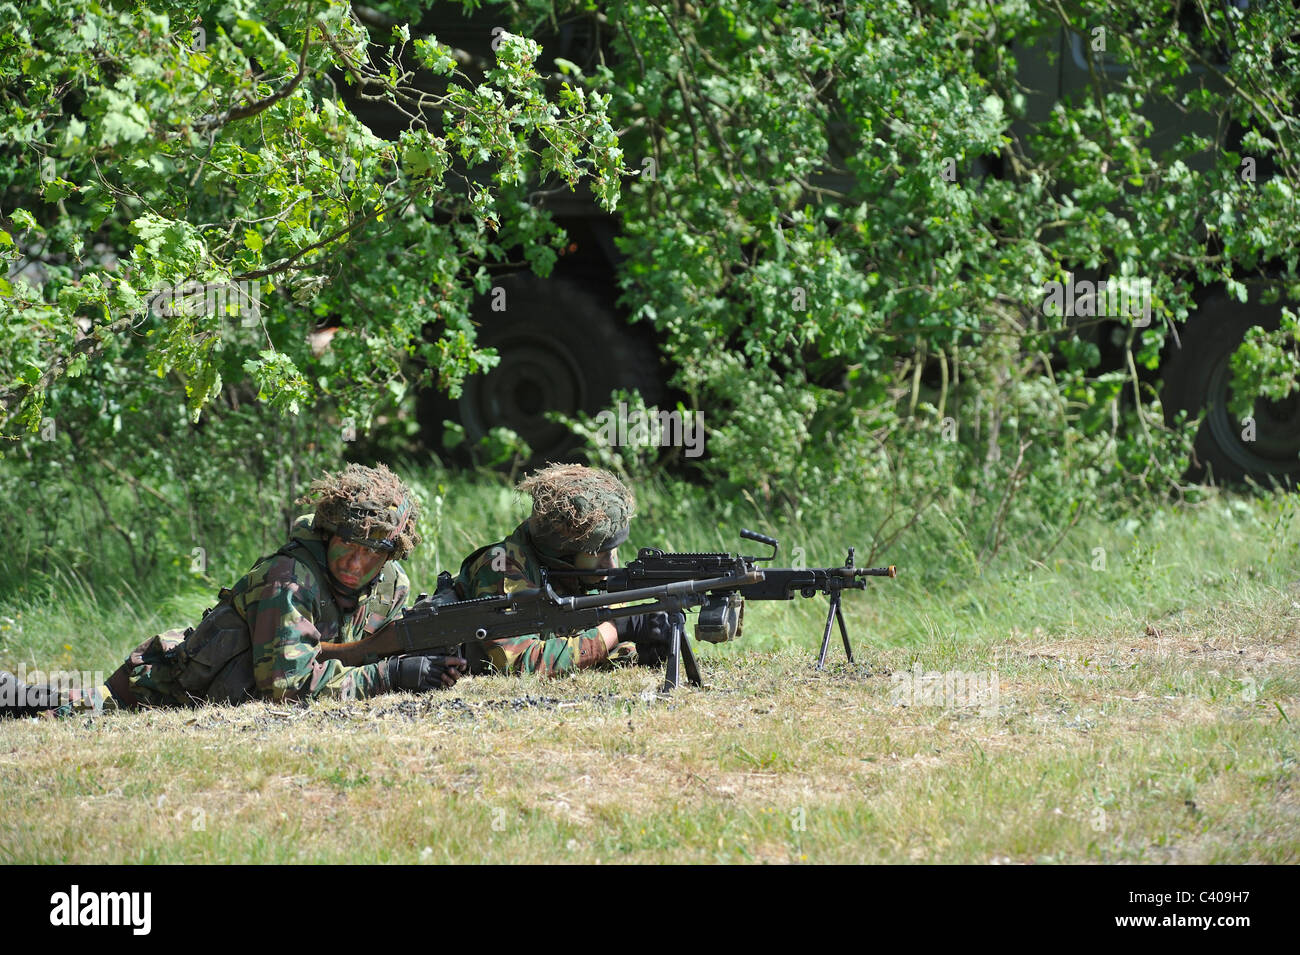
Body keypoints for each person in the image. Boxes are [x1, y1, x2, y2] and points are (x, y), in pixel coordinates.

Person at [0, 463, 464, 717]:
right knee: (62, 705)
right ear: (327, 533)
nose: (356, 562)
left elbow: (350, 651)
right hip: (160, 694)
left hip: (230, 688)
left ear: (391, 555)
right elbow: (287, 686)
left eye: (373, 553)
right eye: (347, 544)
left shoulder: (392, 587)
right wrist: (393, 676)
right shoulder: (289, 577)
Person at [454, 463, 671, 676]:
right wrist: (615, 629)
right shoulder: (501, 566)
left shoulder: (586, 572)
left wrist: (638, 651)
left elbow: (584, 643)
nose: (611, 565)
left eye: (613, 551)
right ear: (563, 553)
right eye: (600, 554)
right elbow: (521, 662)